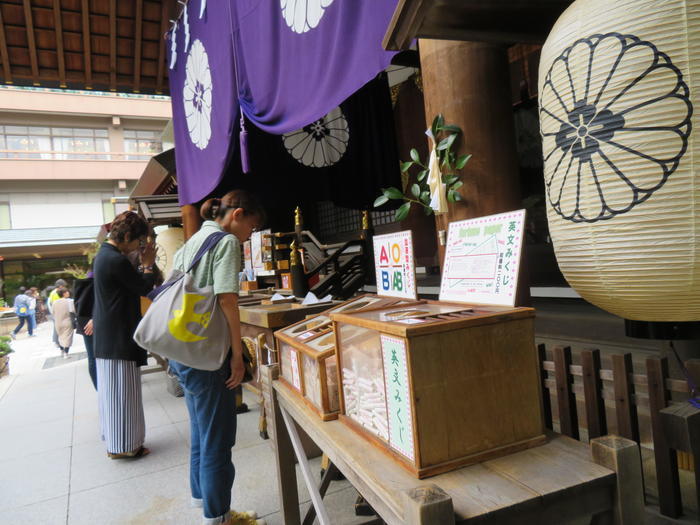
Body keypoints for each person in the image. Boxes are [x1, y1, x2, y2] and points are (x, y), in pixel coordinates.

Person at [169, 190, 266, 525]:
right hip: (208, 356)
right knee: (218, 441)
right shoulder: (225, 243)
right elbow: (227, 300)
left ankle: (203, 500)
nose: (249, 235)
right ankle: (220, 517)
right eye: (251, 227)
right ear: (237, 214)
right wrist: (237, 356)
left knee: (200, 432)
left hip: (182, 351)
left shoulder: (193, 241)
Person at [93, 211, 156, 459]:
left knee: (114, 394)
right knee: (123, 393)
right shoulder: (115, 260)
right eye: (138, 241)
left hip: (110, 335)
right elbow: (142, 286)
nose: (139, 247)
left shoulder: (105, 255)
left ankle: (118, 442)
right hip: (118, 334)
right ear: (127, 236)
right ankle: (126, 446)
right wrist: (148, 264)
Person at [74, 272, 97, 389]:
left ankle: (99, 389)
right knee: (98, 358)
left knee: (92, 358)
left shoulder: (82, 284)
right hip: (94, 322)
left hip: (84, 322)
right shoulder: (98, 281)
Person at [52, 289, 75, 358]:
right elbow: (73, 310)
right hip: (67, 321)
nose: (68, 293)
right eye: (67, 292)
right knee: (68, 337)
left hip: (57, 322)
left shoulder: (54, 302)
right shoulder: (69, 301)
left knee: (60, 337)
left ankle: (61, 351)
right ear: (64, 293)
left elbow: (53, 312)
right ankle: (66, 353)